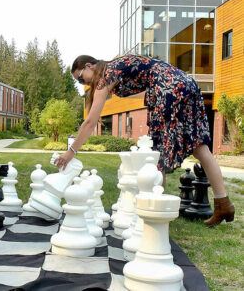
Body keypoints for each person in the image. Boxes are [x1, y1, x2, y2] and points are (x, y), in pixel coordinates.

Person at [53, 55, 235, 226]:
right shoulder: (117, 67)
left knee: (158, 153)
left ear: (89, 66)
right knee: (199, 147)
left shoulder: (107, 74)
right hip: (186, 83)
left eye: (80, 78)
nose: (83, 82)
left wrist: (71, 152)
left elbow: (90, 122)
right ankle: (223, 203)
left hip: (167, 88)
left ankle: (156, 213)